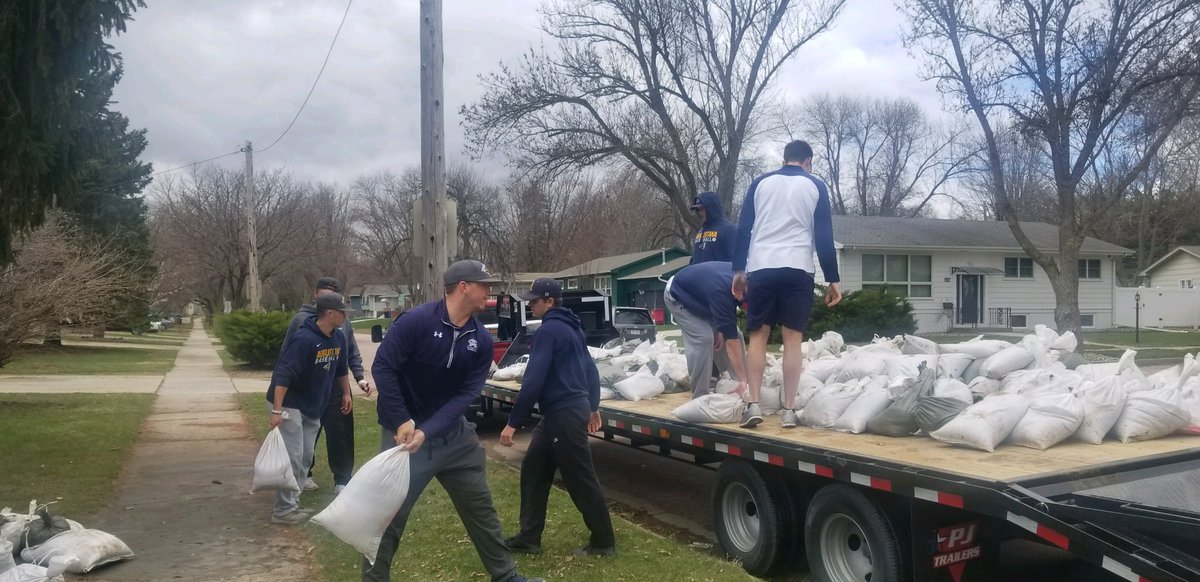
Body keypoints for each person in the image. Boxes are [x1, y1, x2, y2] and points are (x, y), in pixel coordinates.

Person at [366, 260, 542, 582]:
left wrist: (428, 429)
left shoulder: (481, 340)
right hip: (404, 439)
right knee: (387, 515)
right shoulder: (416, 323)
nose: (490, 291)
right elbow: (384, 368)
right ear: (463, 286)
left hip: (453, 438)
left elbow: (464, 397)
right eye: (484, 285)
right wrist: (403, 420)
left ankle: (506, 576)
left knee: (481, 509)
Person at [499, 278, 616, 558]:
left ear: (550, 301)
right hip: (561, 412)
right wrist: (594, 405)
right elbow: (590, 369)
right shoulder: (572, 328)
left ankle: (603, 542)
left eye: (534, 300)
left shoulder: (548, 332)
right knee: (534, 470)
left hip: (564, 414)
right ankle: (529, 538)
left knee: (579, 478)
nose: (530, 304)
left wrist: (512, 423)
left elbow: (533, 380)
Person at [732, 140, 842, 429]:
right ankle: (789, 410)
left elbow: (744, 228)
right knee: (793, 340)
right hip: (798, 268)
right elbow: (824, 236)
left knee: (758, 336)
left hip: (762, 267)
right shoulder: (816, 186)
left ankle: (753, 404)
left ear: (785, 158)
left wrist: (738, 271)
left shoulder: (760, 183)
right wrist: (833, 278)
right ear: (808, 160)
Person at [265, 293, 353, 524]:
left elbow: (341, 368)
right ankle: (283, 511)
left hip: (313, 405)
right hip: (289, 403)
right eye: (342, 312)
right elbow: (284, 374)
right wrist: (276, 411)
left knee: (305, 456)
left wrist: (345, 392)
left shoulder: (337, 338)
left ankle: (292, 504)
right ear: (329, 313)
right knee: (293, 457)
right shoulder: (304, 339)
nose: (346, 316)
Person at [284, 276, 372, 494]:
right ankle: (304, 475)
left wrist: (358, 378)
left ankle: (342, 479)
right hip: (309, 388)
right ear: (315, 295)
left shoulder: (343, 323)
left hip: (335, 387)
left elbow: (349, 354)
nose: (328, 301)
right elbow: (287, 357)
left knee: (340, 432)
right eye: (324, 296)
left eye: (333, 297)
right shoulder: (301, 321)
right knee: (306, 434)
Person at [663, 261, 749, 400]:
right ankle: (699, 396)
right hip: (678, 295)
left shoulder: (743, 280)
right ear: (740, 291)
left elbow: (728, 327)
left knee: (735, 335)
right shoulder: (723, 291)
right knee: (704, 338)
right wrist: (743, 378)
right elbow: (732, 344)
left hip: (704, 297)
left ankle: (740, 387)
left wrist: (720, 330)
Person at [689, 191, 737, 264]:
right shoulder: (700, 232)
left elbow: (736, 262)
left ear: (711, 207)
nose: (699, 212)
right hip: (699, 275)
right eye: (698, 209)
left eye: (702, 208)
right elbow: (694, 260)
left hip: (719, 275)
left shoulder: (730, 230)